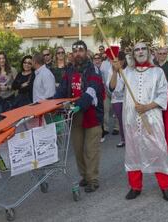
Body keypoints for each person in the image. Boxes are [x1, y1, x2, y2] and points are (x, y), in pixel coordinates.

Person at [110, 42, 168, 202]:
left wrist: (147, 106)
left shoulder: (158, 72)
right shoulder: (126, 72)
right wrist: (115, 72)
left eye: (143, 49)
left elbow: (164, 94)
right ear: (133, 54)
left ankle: (165, 186)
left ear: (148, 52)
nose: (140, 52)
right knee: (133, 152)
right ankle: (135, 187)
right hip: (132, 120)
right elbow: (114, 88)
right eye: (137, 50)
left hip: (153, 119)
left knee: (159, 150)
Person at [55, 40, 104, 193]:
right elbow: (61, 91)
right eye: (75, 51)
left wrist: (79, 105)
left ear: (86, 52)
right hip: (74, 116)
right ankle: (84, 176)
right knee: (78, 149)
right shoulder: (69, 71)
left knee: (91, 150)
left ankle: (93, 179)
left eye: (80, 50)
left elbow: (91, 90)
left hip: (92, 115)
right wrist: (51, 104)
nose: (78, 54)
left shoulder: (93, 70)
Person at [107, 51, 127, 148]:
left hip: (127, 100)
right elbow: (111, 87)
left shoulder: (128, 70)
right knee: (121, 120)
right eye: (114, 61)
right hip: (117, 100)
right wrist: (115, 71)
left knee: (129, 120)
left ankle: (131, 139)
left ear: (122, 61)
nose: (116, 63)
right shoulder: (110, 71)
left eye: (118, 61)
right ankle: (123, 139)